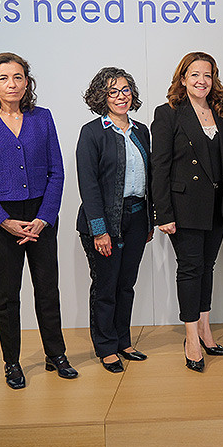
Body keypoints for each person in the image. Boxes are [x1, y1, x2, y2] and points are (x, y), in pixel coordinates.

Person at [0, 52, 77, 389]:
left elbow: (57, 171)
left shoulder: (42, 117)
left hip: (40, 217)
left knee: (47, 290)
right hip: (1, 221)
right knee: (8, 296)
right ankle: (12, 362)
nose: (12, 84)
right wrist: (3, 221)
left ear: (27, 82)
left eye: (18, 77)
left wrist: (44, 218)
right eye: (4, 78)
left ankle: (56, 354)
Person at [151, 52, 223, 373]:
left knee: (207, 266)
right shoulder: (168, 114)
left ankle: (205, 328)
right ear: (182, 79)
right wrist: (162, 213)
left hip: (218, 206)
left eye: (207, 75)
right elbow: (159, 168)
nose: (201, 81)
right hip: (183, 206)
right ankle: (191, 337)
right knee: (190, 268)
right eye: (194, 75)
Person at [76, 67, 155, 374]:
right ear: (101, 97)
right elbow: (89, 185)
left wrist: (149, 221)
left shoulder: (141, 130)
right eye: (113, 92)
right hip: (105, 223)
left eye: (125, 90)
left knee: (126, 285)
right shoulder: (93, 132)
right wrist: (100, 231)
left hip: (136, 219)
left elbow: (149, 180)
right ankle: (106, 347)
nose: (121, 97)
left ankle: (123, 340)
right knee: (105, 286)